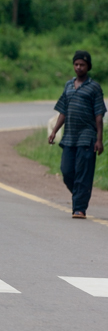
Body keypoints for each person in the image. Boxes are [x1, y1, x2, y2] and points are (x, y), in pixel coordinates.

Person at [48, 50, 105, 218]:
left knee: (83, 173)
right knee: (67, 171)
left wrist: (99, 140)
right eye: (76, 64)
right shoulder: (68, 85)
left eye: (82, 65)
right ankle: (80, 195)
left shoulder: (94, 87)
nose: (79, 67)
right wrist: (54, 131)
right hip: (69, 136)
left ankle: (79, 208)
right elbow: (63, 111)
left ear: (88, 67)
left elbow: (99, 115)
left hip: (87, 137)